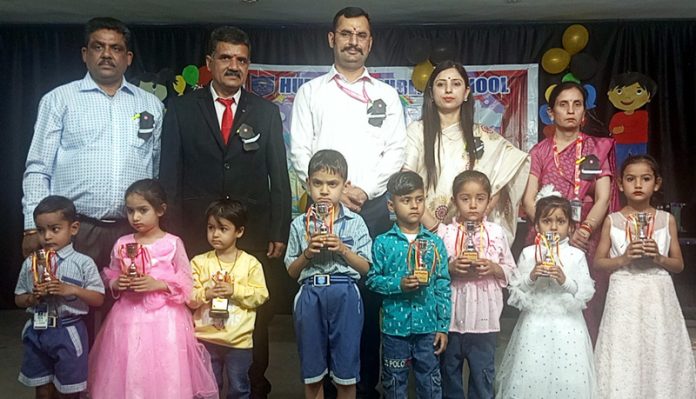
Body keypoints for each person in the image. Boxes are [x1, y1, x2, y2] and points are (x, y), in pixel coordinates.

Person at [160, 26, 291, 398]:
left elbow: (278, 176)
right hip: (195, 230)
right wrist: (171, 236)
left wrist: (279, 230)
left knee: (253, 314)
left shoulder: (265, 112)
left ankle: (254, 387)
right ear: (209, 63)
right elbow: (169, 173)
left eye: (241, 59)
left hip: (252, 232)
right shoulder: (182, 109)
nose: (234, 65)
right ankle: (199, 387)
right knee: (194, 312)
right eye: (225, 57)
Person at [289, 8, 406, 396]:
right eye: (346, 33)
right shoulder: (311, 92)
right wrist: (337, 189)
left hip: (371, 207)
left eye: (361, 35)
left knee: (369, 305)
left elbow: (397, 151)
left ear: (370, 42)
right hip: (322, 204)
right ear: (331, 39)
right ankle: (318, 385)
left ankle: (364, 387)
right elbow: (300, 150)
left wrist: (363, 190)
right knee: (320, 308)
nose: (353, 41)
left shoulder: (386, 94)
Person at [22, 17, 163, 269]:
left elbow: (156, 168)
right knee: (70, 305)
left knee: (130, 307)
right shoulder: (59, 100)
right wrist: (32, 228)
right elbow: (38, 167)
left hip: (132, 230)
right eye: (98, 47)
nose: (107, 55)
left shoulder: (151, 105)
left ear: (128, 57)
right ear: (85, 54)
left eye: (116, 48)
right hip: (73, 230)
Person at [88, 179, 218, 399]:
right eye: (130, 211)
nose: (135, 217)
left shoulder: (173, 243)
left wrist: (158, 284)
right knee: (130, 364)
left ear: (160, 210)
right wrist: (116, 284)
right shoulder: (122, 243)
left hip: (165, 320)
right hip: (127, 318)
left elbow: (187, 284)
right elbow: (111, 274)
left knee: (165, 367)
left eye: (142, 210)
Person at [522, 81, 618, 344]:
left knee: (585, 301)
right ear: (551, 113)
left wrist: (584, 230)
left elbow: (603, 197)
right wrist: (551, 230)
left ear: (584, 113)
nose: (571, 110)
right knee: (547, 300)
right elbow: (529, 199)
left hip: (586, 236)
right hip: (548, 236)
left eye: (577, 105)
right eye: (563, 105)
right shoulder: (540, 151)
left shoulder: (596, 148)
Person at [593, 155, 696, 398]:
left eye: (645, 179)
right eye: (630, 179)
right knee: (624, 347)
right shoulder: (612, 220)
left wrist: (659, 258)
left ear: (657, 183)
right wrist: (624, 258)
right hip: (624, 291)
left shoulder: (666, 220)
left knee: (657, 346)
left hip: (657, 292)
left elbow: (679, 264)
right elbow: (599, 262)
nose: (638, 185)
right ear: (620, 184)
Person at [404, 61, 529, 242]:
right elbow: (407, 181)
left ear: (466, 93)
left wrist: (472, 223)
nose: (448, 90)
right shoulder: (417, 131)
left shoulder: (484, 136)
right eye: (441, 84)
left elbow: (500, 180)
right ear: (431, 93)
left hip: (472, 235)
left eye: (456, 84)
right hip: (424, 233)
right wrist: (436, 230)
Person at [284, 150, 372, 399]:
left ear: (345, 186)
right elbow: (291, 271)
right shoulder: (299, 224)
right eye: (318, 183)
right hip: (310, 293)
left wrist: (343, 249)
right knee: (312, 369)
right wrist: (307, 254)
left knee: (346, 368)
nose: (324, 190)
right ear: (308, 184)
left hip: (344, 292)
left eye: (332, 184)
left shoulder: (355, 222)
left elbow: (366, 267)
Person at [497, 194, 596, 398]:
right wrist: (532, 276)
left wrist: (564, 280)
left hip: (568, 324)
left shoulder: (576, 255)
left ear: (570, 226)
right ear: (536, 225)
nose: (553, 227)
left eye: (560, 221)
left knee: (569, 374)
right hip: (535, 322)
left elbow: (584, 293)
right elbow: (517, 291)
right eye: (547, 221)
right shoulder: (529, 253)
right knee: (531, 369)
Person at [366, 171, 450, 399]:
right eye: (406, 200)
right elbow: (372, 279)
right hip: (395, 329)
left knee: (430, 381)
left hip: (428, 328)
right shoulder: (383, 242)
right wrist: (399, 284)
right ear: (391, 205)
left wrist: (443, 327)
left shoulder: (435, 243)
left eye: (419, 199)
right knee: (394, 382)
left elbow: (443, 285)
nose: (414, 206)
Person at [15, 196, 104, 399]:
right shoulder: (31, 263)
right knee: (42, 388)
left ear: (73, 228)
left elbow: (98, 299)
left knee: (69, 389)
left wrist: (71, 290)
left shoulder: (83, 263)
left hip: (69, 331)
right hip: (37, 331)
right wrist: (31, 299)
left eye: (55, 229)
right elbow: (18, 297)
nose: (46, 236)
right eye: (40, 230)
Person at [436, 171, 516, 399]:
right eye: (465, 198)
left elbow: (511, 271)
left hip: (485, 322)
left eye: (480, 199)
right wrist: (450, 268)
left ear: (489, 200)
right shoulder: (445, 233)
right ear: (454, 201)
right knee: (449, 375)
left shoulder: (497, 233)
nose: (473, 205)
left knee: (483, 377)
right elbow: (433, 272)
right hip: (450, 320)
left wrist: (493, 268)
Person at [189, 199, 270, 399]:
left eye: (223, 228)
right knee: (207, 388)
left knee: (239, 389)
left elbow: (261, 295)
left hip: (238, 341)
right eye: (211, 228)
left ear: (239, 231)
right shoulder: (199, 262)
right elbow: (188, 297)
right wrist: (206, 293)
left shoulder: (250, 263)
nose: (215, 234)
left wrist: (234, 290)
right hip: (206, 338)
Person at [607, 72, 657, 169]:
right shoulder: (617, 116)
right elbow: (612, 129)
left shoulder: (643, 115)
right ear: (609, 94)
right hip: (621, 144)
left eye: (638, 91)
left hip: (639, 143)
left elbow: (638, 128)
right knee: (620, 165)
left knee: (640, 164)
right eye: (619, 91)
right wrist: (614, 130)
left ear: (649, 97)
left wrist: (623, 129)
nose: (628, 97)